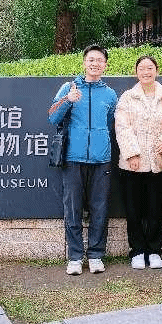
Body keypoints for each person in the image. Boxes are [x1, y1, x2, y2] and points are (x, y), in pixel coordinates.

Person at [48, 44, 118, 275]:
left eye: (100, 60)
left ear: (105, 65)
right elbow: (52, 117)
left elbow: (111, 124)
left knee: (100, 208)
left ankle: (96, 255)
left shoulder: (110, 94)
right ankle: (75, 257)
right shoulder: (69, 87)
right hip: (73, 158)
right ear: (84, 63)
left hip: (101, 159)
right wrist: (68, 100)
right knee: (72, 209)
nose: (95, 63)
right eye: (91, 60)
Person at [115, 55, 162, 270]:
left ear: (156, 70)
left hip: (159, 163)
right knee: (133, 210)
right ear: (136, 72)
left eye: (150, 68)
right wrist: (131, 154)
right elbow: (122, 126)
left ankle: (155, 251)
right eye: (141, 68)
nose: (146, 72)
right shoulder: (127, 97)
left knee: (156, 210)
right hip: (133, 165)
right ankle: (137, 251)